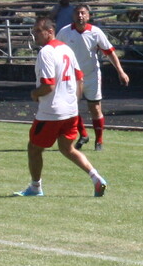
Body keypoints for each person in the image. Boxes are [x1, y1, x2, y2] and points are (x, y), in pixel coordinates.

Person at [18, 16, 108, 198]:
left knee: (34, 148)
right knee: (67, 148)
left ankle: (35, 187)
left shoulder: (46, 53)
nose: (34, 35)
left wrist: (34, 94)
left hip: (51, 112)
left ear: (50, 31)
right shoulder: (66, 49)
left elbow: (48, 85)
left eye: (37, 31)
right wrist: (74, 101)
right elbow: (79, 77)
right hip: (70, 111)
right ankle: (96, 177)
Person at [57, 4, 130, 150]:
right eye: (77, 13)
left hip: (91, 75)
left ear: (88, 16)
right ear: (73, 16)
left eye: (83, 13)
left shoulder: (95, 32)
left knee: (95, 108)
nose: (80, 16)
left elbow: (109, 52)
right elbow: (56, 51)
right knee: (70, 108)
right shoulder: (65, 32)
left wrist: (120, 71)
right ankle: (83, 135)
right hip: (72, 77)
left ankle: (99, 141)